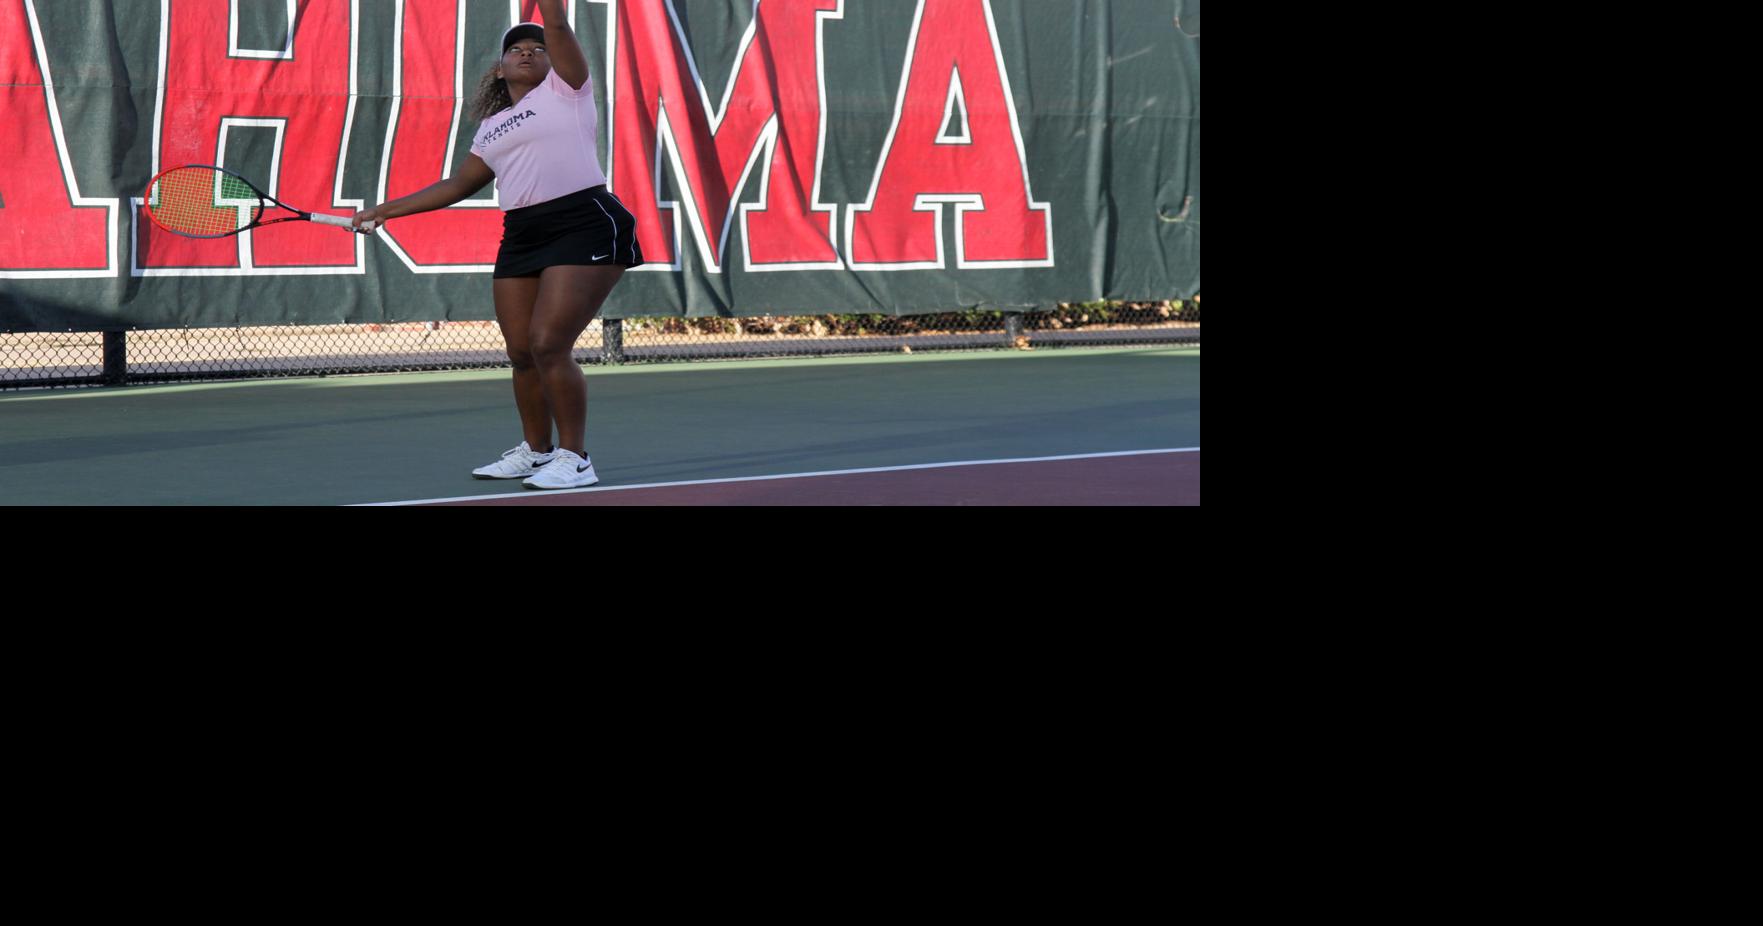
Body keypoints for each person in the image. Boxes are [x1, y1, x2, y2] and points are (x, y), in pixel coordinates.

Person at [353, 1, 641, 490]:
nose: (528, 52)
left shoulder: (568, 90)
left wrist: (551, 15)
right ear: (500, 67)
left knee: (549, 344)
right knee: (522, 351)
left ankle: (576, 459)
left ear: (554, 60)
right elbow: (458, 184)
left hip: (583, 222)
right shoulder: (491, 127)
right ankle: (536, 451)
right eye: (516, 49)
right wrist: (384, 211)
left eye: (538, 49)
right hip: (523, 232)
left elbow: (556, 22)